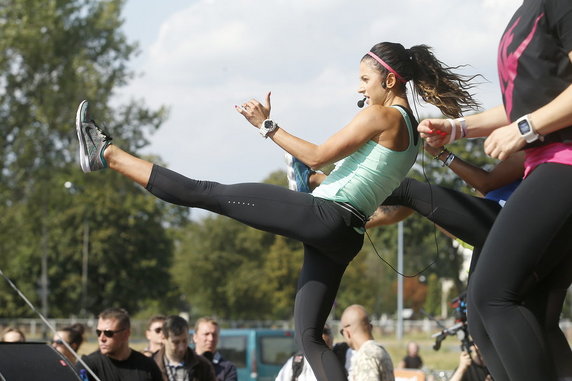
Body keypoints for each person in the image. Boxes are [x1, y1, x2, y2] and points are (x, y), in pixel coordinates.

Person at [75, 41, 478, 381]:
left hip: (326, 217)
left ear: (390, 81)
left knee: (207, 193)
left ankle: (105, 153)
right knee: (309, 337)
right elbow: (349, 179)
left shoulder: (382, 114)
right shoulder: (411, 137)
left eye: (365, 80)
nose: (361, 88)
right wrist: (309, 178)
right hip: (347, 235)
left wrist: (267, 126)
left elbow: (319, 154)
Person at [418, 1, 572, 379]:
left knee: (491, 297)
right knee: (526, 310)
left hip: (565, 162)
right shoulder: (529, 10)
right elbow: (524, 103)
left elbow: (528, 116)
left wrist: (526, 128)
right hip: (548, 164)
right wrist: (456, 129)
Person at [78, 307, 162, 381]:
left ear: (126, 334)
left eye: (108, 333)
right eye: (98, 332)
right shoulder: (87, 365)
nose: (101, 338)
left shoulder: (147, 366)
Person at [340, 304, 394, 381]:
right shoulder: (381, 350)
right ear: (370, 327)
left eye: (342, 332)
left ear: (347, 333)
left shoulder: (366, 356)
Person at [153, 315, 216, 381]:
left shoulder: (203, 366)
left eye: (185, 341)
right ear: (163, 338)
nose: (181, 348)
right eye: (176, 342)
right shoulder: (151, 366)